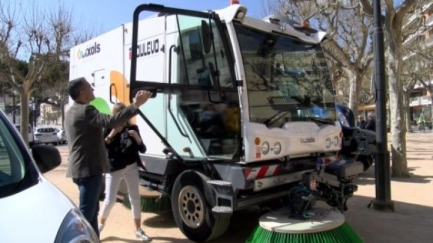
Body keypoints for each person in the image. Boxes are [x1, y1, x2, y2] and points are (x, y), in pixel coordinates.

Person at [64, 77, 152, 238]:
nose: (93, 90)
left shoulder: (71, 111)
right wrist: (136, 104)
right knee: (85, 217)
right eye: (90, 87)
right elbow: (111, 121)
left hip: (80, 169)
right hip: (89, 169)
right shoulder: (86, 111)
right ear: (82, 92)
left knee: (91, 214)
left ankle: (94, 239)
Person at [98, 103, 150, 242]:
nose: (124, 119)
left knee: (135, 198)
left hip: (131, 166)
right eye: (121, 115)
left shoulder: (133, 128)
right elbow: (102, 147)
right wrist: (112, 134)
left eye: (126, 115)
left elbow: (143, 149)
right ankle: (100, 226)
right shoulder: (109, 127)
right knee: (110, 200)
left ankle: (138, 229)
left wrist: (137, 138)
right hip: (114, 167)